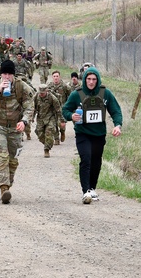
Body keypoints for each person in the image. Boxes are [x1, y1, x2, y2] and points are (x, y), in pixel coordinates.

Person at [63, 67, 123, 205]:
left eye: (94, 79)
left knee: (96, 161)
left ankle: (92, 188)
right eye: (88, 79)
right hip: (82, 132)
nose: (91, 82)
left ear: (98, 80)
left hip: (99, 133)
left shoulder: (105, 93)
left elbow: (116, 110)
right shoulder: (76, 94)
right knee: (86, 159)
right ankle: (85, 192)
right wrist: (71, 116)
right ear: (84, 79)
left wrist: (117, 125)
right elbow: (65, 110)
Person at [0, 59, 34, 204]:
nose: (7, 77)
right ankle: (4, 188)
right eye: (4, 74)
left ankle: (8, 184)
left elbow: (30, 105)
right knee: (2, 156)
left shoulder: (21, 86)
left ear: (13, 75)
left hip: (15, 127)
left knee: (12, 160)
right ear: (1, 74)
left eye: (10, 74)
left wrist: (24, 121)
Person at [33, 85, 63, 157]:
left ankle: (46, 150)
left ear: (47, 91)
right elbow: (32, 107)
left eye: (43, 93)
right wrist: (31, 117)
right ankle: (48, 142)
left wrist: (61, 120)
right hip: (40, 118)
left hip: (50, 117)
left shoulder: (52, 98)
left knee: (49, 132)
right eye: (40, 93)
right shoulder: (36, 97)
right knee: (39, 133)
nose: (41, 94)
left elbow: (58, 110)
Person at [47, 70, 73, 142]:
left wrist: (68, 106)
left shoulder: (65, 86)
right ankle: (56, 139)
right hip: (52, 108)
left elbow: (70, 97)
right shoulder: (49, 86)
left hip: (62, 108)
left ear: (59, 77)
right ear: (52, 77)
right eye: (54, 76)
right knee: (53, 124)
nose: (56, 78)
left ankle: (62, 132)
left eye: (57, 76)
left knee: (61, 124)